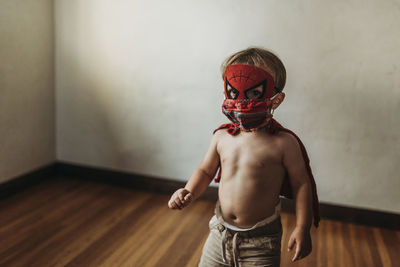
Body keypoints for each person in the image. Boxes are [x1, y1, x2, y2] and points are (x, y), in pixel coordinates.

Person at [168, 47, 320, 267]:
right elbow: (205, 170)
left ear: (276, 100)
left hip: (261, 242)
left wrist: (302, 227)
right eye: (233, 92)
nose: (240, 102)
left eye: (253, 93)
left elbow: (301, 184)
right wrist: (188, 191)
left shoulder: (284, 143)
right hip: (219, 233)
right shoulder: (222, 136)